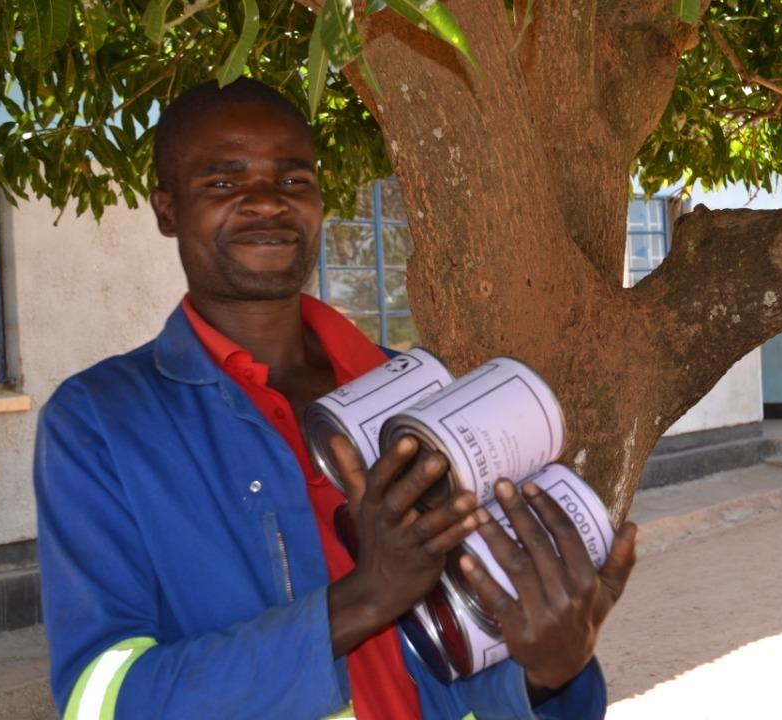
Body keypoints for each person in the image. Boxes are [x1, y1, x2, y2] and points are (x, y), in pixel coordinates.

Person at [34, 78, 637, 720]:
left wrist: (547, 672)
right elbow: (104, 701)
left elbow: (457, 660)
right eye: (224, 182)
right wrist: (366, 598)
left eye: (293, 180)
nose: (266, 202)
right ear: (167, 210)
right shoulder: (101, 420)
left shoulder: (411, 395)